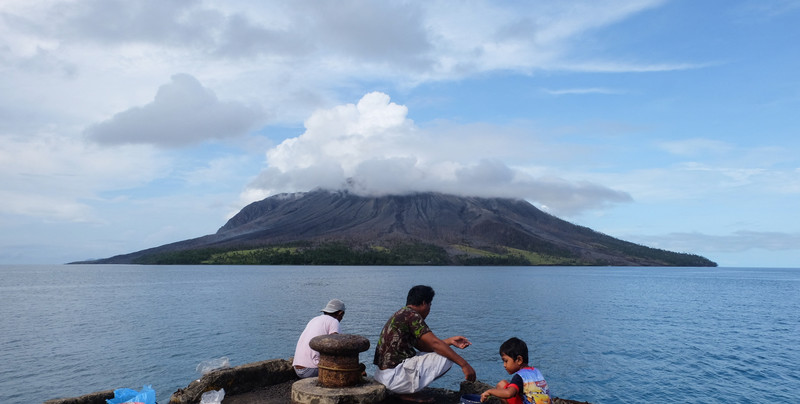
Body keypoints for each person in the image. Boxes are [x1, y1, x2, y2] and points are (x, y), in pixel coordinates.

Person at [373, 285, 476, 402]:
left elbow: (424, 347)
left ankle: (403, 391)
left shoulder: (401, 314)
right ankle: (405, 391)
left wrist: (450, 341)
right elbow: (435, 344)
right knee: (446, 357)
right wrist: (465, 365)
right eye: (430, 305)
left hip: (383, 376)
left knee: (440, 351)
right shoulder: (412, 316)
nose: (429, 309)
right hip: (394, 378)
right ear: (424, 303)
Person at [480, 337, 551, 404]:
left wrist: (490, 391)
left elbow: (509, 394)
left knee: (502, 385)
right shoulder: (536, 371)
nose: (504, 365)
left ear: (519, 360)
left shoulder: (520, 377)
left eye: (506, 361)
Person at [292, 298, 345, 378]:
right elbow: (336, 346)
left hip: (297, 369)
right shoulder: (334, 321)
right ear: (340, 313)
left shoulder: (314, 320)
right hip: (311, 370)